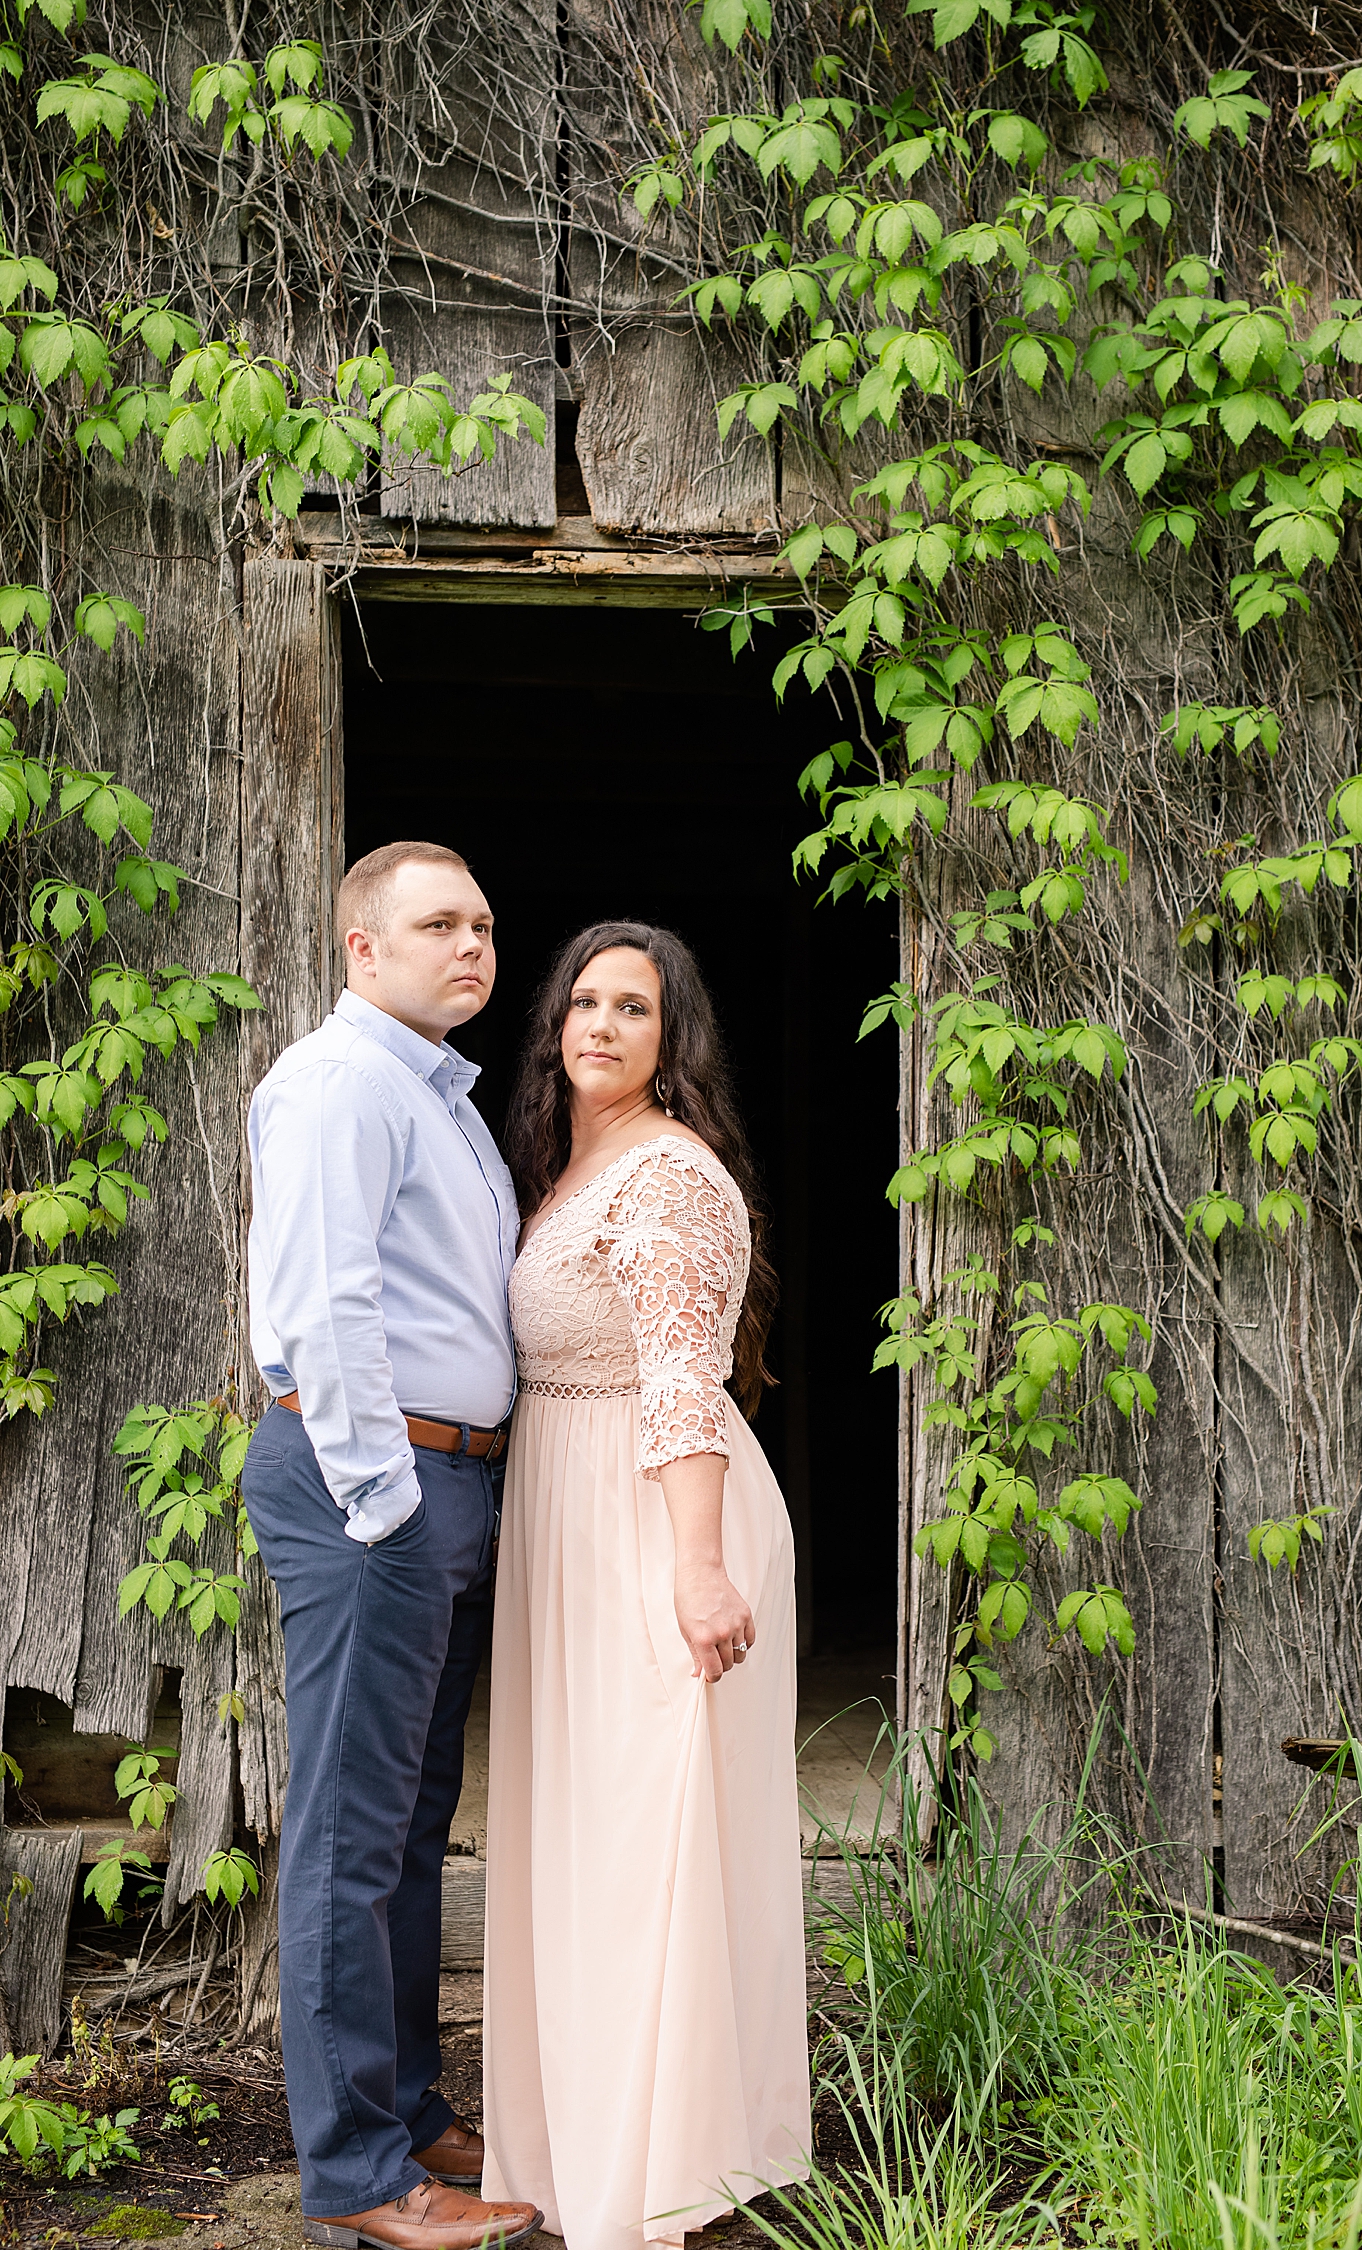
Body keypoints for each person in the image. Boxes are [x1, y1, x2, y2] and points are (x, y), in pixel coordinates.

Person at [481, 921, 811, 2250]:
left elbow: (685, 1372)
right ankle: (579, 2141)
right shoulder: (572, 1163)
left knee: (637, 1845)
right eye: (583, 1000)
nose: (600, 1023)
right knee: (575, 1835)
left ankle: (653, 2171)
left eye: (634, 1006)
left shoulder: (667, 1174)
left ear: (675, 1038)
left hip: (653, 1514)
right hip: (568, 1503)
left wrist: (694, 1563)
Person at [241, 841, 543, 2250]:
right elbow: (328, 1301)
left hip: (441, 1480)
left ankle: (410, 2105)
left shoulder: (439, 1097)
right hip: (381, 1484)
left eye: (482, 924)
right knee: (353, 1835)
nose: (471, 944)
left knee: (413, 1826)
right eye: (438, 923)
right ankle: (360, 2175)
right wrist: (382, 1504)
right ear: (362, 947)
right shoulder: (339, 1084)